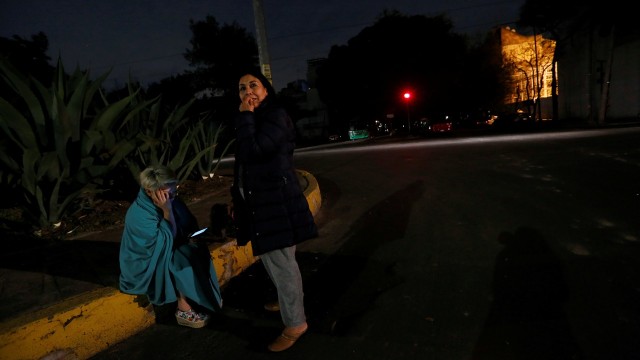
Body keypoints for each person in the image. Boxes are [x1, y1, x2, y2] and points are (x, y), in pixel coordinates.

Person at [231, 70, 319, 352]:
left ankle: (296, 323)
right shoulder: (258, 118)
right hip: (263, 202)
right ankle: (287, 298)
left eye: (254, 85)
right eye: (242, 88)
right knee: (276, 259)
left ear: (267, 90)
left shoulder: (274, 115)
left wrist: (245, 117)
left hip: (275, 202)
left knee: (281, 263)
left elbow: (254, 152)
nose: (248, 92)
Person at [119, 165, 222, 329]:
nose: (173, 197)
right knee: (180, 257)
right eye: (168, 194)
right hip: (144, 263)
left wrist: (192, 235)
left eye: (175, 192)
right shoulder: (139, 214)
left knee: (192, 250)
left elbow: (186, 225)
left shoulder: (171, 200)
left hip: (167, 249)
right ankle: (183, 308)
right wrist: (167, 211)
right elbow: (161, 244)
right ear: (149, 192)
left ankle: (202, 295)